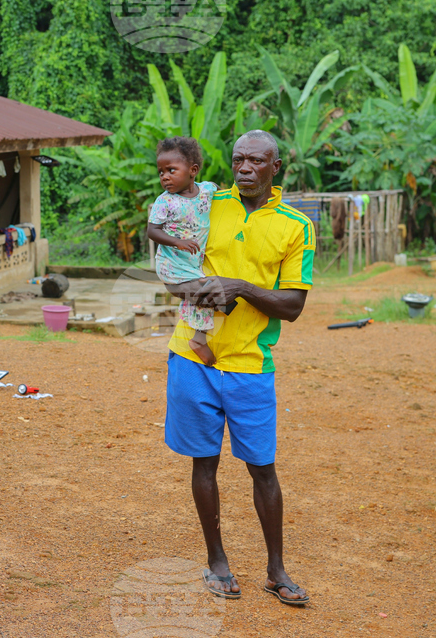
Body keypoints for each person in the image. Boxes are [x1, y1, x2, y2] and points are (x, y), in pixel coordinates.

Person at [163, 130, 314, 606]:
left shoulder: (296, 226)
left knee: (263, 470)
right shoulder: (205, 205)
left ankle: (276, 570)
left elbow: (292, 305)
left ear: (277, 167)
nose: (245, 168)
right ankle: (217, 562)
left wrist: (242, 288)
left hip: (252, 364)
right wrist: (199, 289)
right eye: (238, 160)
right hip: (193, 356)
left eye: (256, 161)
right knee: (203, 463)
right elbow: (172, 268)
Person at [146, 136, 223, 366]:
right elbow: (152, 231)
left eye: (171, 170)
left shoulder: (208, 190)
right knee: (209, 294)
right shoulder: (165, 202)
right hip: (172, 265)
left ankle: (198, 337)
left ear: (193, 170)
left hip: (193, 264)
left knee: (203, 295)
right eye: (161, 172)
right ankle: (199, 339)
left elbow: (224, 195)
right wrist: (177, 242)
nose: (165, 177)